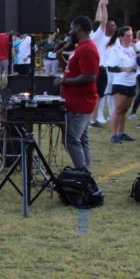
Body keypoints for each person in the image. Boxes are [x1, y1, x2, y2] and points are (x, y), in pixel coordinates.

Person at [56, 16, 100, 170]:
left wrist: (63, 81)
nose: (69, 32)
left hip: (81, 102)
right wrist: (59, 55)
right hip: (75, 101)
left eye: (71, 28)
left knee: (71, 139)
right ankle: (85, 170)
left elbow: (89, 76)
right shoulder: (80, 48)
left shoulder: (88, 49)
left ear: (79, 28)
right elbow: (71, 71)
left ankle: (82, 172)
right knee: (81, 138)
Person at [105, 26, 138, 143]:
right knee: (118, 109)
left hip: (131, 82)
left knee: (124, 110)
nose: (130, 38)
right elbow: (111, 67)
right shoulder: (116, 50)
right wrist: (124, 69)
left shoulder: (132, 49)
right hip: (120, 82)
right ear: (121, 37)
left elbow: (139, 62)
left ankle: (121, 133)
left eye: (131, 35)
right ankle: (114, 134)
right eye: (127, 36)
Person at [89, 0, 116, 128]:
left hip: (97, 68)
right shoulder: (97, 35)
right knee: (97, 96)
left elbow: (98, 19)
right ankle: (92, 120)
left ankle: (92, 119)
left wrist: (99, 6)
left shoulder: (93, 35)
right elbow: (103, 21)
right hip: (99, 68)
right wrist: (104, 6)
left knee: (96, 95)